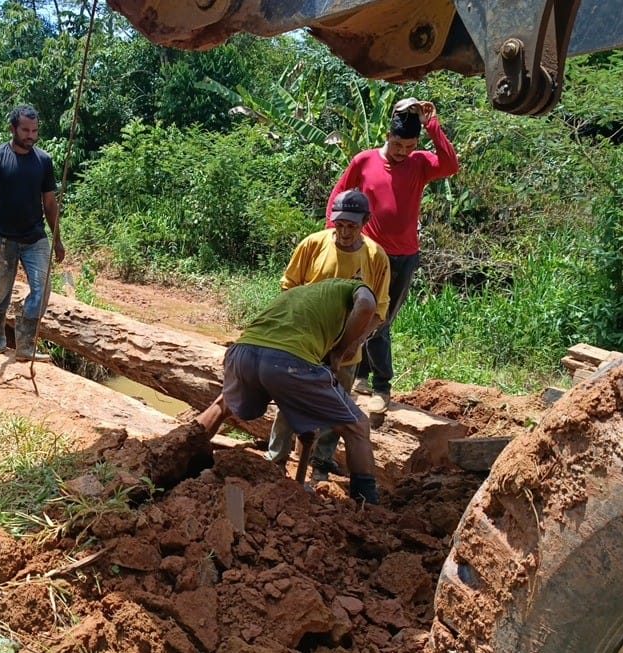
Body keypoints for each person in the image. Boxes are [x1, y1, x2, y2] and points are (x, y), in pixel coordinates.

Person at [195, 278, 382, 503]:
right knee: (357, 427)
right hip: (289, 363)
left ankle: (177, 455)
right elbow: (367, 304)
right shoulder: (353, 288)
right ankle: (367, 507)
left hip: (242, 353)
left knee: (223, 405)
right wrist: (339, 351)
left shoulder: (303, 295)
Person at [327, 97, 459, 414]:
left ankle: (381, 386)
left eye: (410, 146)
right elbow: (340, 192)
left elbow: (450, 165)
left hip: (403, 257)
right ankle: (362, 375)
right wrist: (332, 230)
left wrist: (432, 125)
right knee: (356, 311)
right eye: (398, 145)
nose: (403, 152)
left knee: (380, 320)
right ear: (388, 136)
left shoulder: (420, 163)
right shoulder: (365, 160)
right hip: (368, 253)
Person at [266, 189, 390, 481]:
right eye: (340, 225)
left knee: (335, 408)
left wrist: (353, 343)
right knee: (289, 401)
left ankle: (321, 465)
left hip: (347, 348)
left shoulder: (375, 257)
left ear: (365, 222)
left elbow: (379, 310)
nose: (344, 232)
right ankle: (275, 461)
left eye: (352, 226)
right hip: (305, 343)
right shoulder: (313, 245)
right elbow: (289, 288)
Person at [0, 105, 65, 362]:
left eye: (34, 131)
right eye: (25, 130)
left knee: (42, 289)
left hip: (35, 237)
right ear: (13, 128)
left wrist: (57, 239)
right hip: (2, 238)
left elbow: (50, 203)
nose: (30, 135)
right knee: (2, 290)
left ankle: (24, 345)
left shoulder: (44, 161)